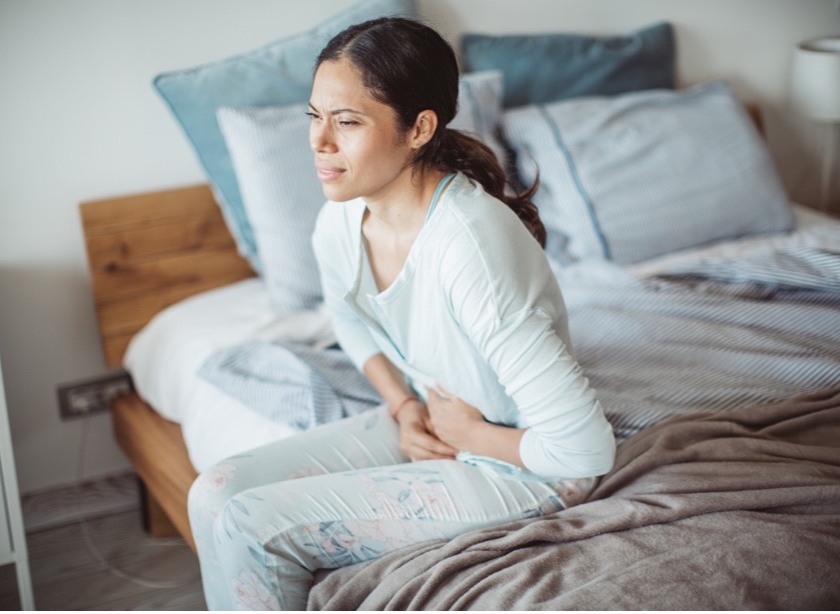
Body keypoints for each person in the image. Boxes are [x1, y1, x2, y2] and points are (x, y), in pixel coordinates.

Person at [188, 16, 615, 610]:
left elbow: (585, 453)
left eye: (348, 121)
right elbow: (349, 318)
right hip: (442, 425)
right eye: (314, 116)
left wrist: (472, 434)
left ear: (419, 128)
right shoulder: (343, 215)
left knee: (252, 525)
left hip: (526, 466)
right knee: (214, 492)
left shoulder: (469, 244)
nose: (318, 142)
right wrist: (404, 404)